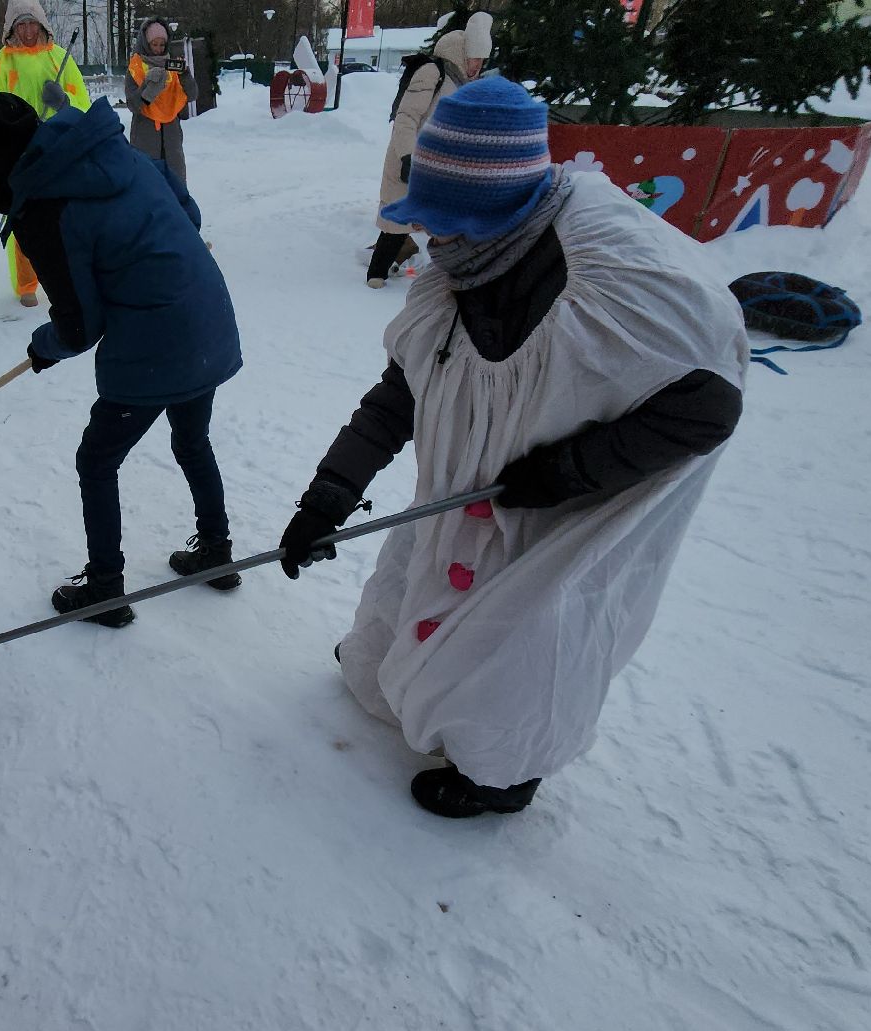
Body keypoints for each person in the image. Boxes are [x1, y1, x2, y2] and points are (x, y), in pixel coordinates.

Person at [279, 79, 745, 819]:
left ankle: (501, 772)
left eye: (444, 226)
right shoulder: (464, 270)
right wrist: (328, 495)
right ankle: (393, 674)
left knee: (520, 638)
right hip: (467, 484)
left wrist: (566, 471)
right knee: (415, 573)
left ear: (496, 216)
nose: (430, 242)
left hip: (558, 505)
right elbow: (400, 395)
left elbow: (710, 408)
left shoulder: (620, 284)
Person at [0, 90, 242, 626]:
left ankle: (105, 587)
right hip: (208, 319)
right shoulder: (105, 146)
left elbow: (81, 325)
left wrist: (42, 347)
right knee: (192, 439)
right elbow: (186, 208)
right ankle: (216, 554)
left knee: (97, 460)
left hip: (157, 346)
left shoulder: (48, 209)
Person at [365, 10, 492, 288]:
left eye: (482, 61)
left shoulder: (465, 85)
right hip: (410, 158)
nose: (478, 66)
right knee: (397, 221)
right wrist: (407, 156)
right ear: (463, 54)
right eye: (475, 60)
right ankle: (377, 274)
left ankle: (451, 274)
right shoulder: (433, 72)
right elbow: (407, 117)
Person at [0, 0, 90, 308]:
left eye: (32, 24)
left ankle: (66, 275)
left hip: (57, 148)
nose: (28, 30)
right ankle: (26, 282)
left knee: (61, 215)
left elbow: (82, 103)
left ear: (42, 25)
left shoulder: (59, 58)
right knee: (21, 217)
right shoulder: (2, 61)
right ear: (11, 28)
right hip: (20, 150)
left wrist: (63, 102)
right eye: (21, 24)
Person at [124, 18, 195, 184]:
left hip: (172, 139)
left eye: (162, 45)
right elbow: (133, 105)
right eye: (154, 44)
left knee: (176, 190)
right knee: (146, 188)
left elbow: (192, 95)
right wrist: (148, 90)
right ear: (146, 43)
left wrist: (185, 75)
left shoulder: (173, 66)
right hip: (145, 137)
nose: (158, 49)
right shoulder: (136, 68)